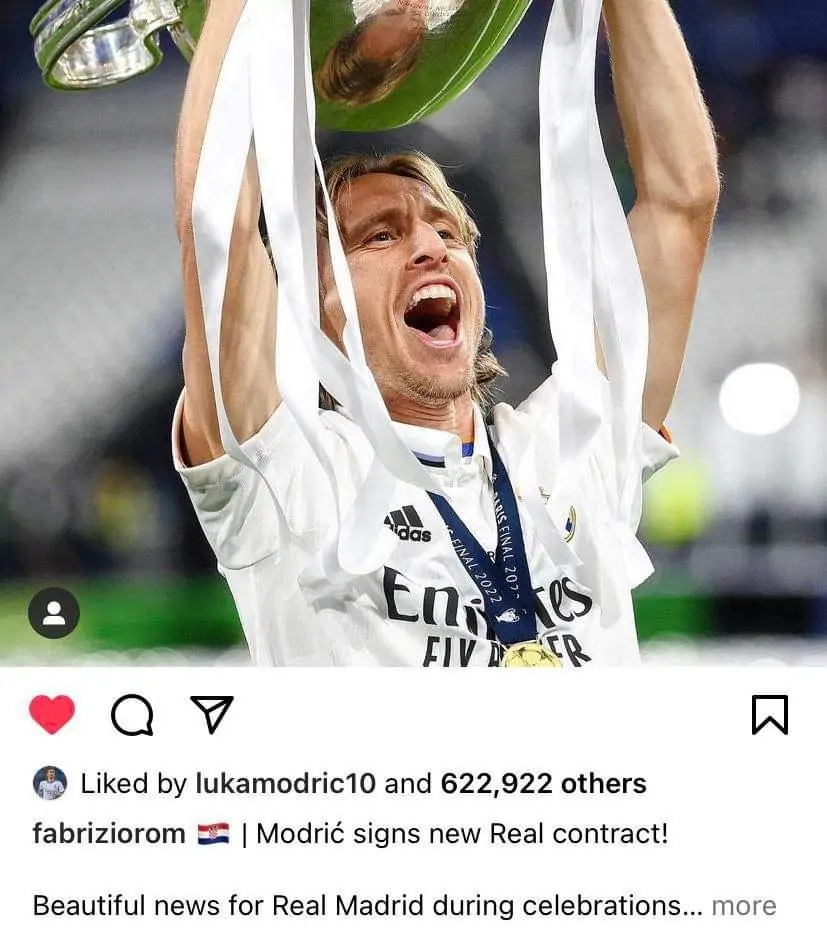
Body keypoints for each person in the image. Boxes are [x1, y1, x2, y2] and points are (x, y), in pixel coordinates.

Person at [173, 0, 719, 666]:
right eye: (380, 236)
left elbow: (679, 201)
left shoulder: (572, 448)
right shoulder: (286, 474)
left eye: (447, 231)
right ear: (310, 309)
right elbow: (216, 225)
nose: (431, 248)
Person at [317, 0, 464, 106]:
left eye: (394, 12)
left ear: (370, 15)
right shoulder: (444, 7)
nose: (413, 3)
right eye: (415, 20)